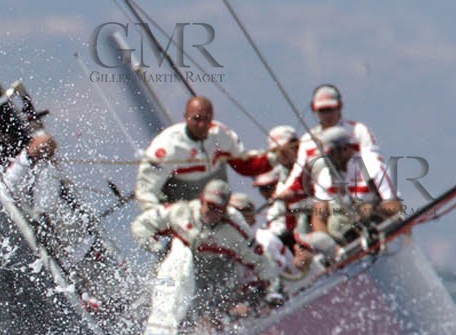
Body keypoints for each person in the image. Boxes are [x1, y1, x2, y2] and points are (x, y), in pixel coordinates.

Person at [132, 178, 282, 320]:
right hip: (175, 265)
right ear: (201, 200)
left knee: (193, 305)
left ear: (225, 210)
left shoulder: (236, 228)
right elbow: (141, 224)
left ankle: (190, 332)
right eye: (209, 205)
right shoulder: (181, 212)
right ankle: (134, 320)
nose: (210, 212)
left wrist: (273, 290)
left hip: (209, 276)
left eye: (217, 209)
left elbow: (260, 259)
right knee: (153, 295)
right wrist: (154, 246)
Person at [274, 84, 400, 216]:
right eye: (322, 111)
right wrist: (283, 191)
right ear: (315, 110)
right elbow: (298, 173)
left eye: (331, 109)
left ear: (340, 107)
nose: (327, 115)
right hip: (326, 196)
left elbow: (374, 163)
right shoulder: (308, 140)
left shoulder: (358, 130)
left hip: (361, 193)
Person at [134, 96, 269, 211]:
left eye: (207, 119)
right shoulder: (167, 147)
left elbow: (245, 164)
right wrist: (164, 217)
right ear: (185, 117)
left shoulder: (220, 135)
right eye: (197, 119)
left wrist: (274, 159)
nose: (202, 125)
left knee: (245, 206)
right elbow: (145, 191)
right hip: (185, 214)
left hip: (219, 208)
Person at [307, 124, 402, 244]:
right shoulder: (324, 176)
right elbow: (319, 217)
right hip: (347, 235)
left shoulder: (372, 166)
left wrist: (374, 210)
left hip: (381, 230)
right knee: (334, 222)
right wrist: (329, 245)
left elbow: (396, 207)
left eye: (330, 155)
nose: (327, 161)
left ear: (344, 149)